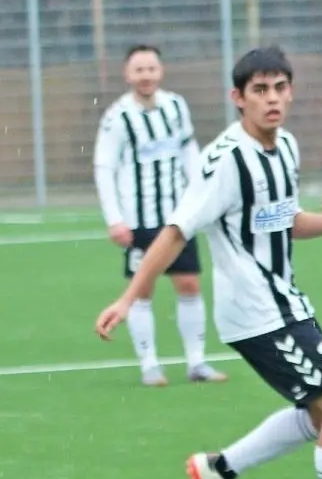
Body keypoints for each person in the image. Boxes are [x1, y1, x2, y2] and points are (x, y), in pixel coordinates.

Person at [94, 46, 322, 479]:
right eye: (260, 90)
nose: (273, 98)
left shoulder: (285, 148)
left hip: (284, 301)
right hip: (255, 312)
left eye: (281, 87)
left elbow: (279, 219)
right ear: (238, 98)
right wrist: (131, 295)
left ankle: (219, 468)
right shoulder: (225, 161)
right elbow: (177, 231)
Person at [93, 44, 227, 387]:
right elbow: (104, 166)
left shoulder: (175, 106)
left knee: (189, 283)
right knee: (143, 290)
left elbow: (188, 151)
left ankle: (196, 362)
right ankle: (149, 363)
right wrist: (114, 218)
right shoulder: (117, 117)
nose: (146, 75)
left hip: (178, 215)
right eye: (139, 70)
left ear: (161, 71)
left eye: (151, 68)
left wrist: (203, 197)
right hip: (139, 218)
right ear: (127, 75)